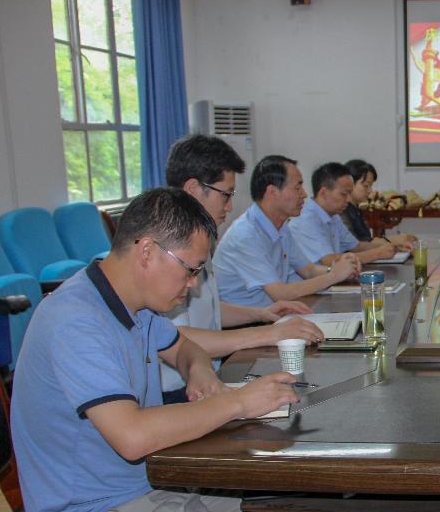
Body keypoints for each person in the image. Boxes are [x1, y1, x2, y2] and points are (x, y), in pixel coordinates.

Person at [10, 188, 298, 512]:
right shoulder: (76, 321)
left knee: (254, 502)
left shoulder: (130, 303)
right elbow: (131, 436)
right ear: (147, 251)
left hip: (135, 484)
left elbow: (183, 347)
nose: (194, 285)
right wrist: (238, 403)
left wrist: (199, 370)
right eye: (190, 269)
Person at [160, 134, 324, 403]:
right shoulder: (167, 247)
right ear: (192, 189)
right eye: (225, 195)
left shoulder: (199, 236)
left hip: (210, 374)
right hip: (175, 391)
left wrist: (262, 313)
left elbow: (207, 309)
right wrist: (268, 333)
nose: (229, 206)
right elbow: (174, 337)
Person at [214, 155, 358, 307]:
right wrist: (334, 275)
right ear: (272, 192)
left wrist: (341, 269)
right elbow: (280, 293)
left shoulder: (280, 226)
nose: (304, 194)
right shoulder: (245, 234)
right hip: (250, 319)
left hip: (273, 313)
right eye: (297, 187)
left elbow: (308, 270)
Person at [289, 162, 412, 267]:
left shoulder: (333, 215)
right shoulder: (305, 220)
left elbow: (356, 246)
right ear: (324, 192)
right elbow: (329, 261)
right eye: (344, 194)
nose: (348, 199)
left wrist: (393, 245)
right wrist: (378, 253)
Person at [343, 159, 417, 248]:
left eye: (371, 186)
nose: (370, 190)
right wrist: (395, 241)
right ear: (349, 183)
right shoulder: (342, 211)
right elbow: (355, 246)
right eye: (366, 185)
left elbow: (367, 240)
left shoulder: (356, 210)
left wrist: (397, 241)